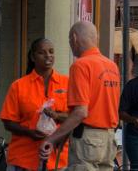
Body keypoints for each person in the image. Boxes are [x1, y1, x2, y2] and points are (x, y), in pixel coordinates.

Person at [39, 22, 121, 171]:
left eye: (70, 40)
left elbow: (81, 112)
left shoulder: (81, 65)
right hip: (109, 139)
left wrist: (52, 138)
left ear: (74, 38)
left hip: (88, 139)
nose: (70, 44)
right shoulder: (112, 66)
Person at [0, 38, 69, 171]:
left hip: (58, 160)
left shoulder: (67, 83)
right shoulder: (18, 86)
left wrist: (57, 115)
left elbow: (76, 116)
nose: (48, 56)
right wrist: (29, 132)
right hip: (24, 158)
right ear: (32, 57)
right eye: (42, 53)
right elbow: (8, 122)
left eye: (51, 51)